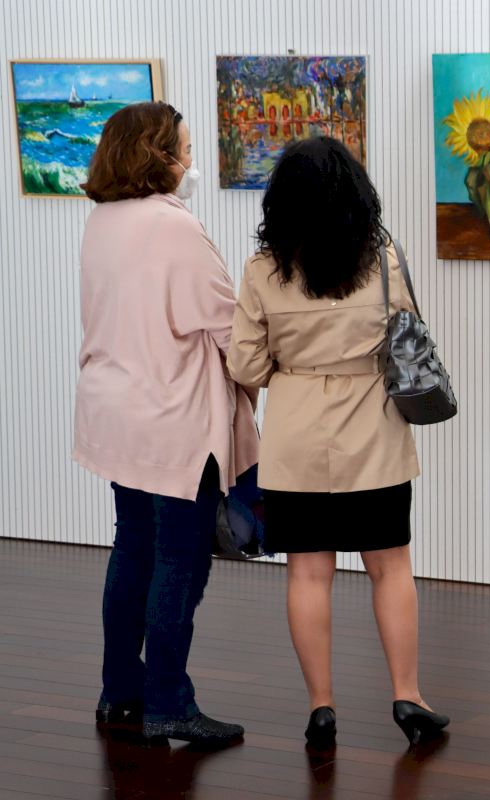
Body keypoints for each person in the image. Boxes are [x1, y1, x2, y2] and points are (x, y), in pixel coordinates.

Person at [229, 136, 448, 749]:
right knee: (390, 567)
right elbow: (406, 334)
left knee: (307, 574)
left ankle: (321, 707)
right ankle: (407, 696)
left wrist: (292, 367)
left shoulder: (263, 270)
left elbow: (245, 366)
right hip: (373, 435)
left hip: (295, 441)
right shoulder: (383, 260)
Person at [75, 102, 259, 746]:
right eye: (185, 149)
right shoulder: (174, 227)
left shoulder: (102, 219)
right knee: (180, 562)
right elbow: (233, 332)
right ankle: (169, 703)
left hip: (116, 415)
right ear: (159, 155)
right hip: (173, 422)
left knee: (132, 550)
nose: (191, 161)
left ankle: (119, 692)